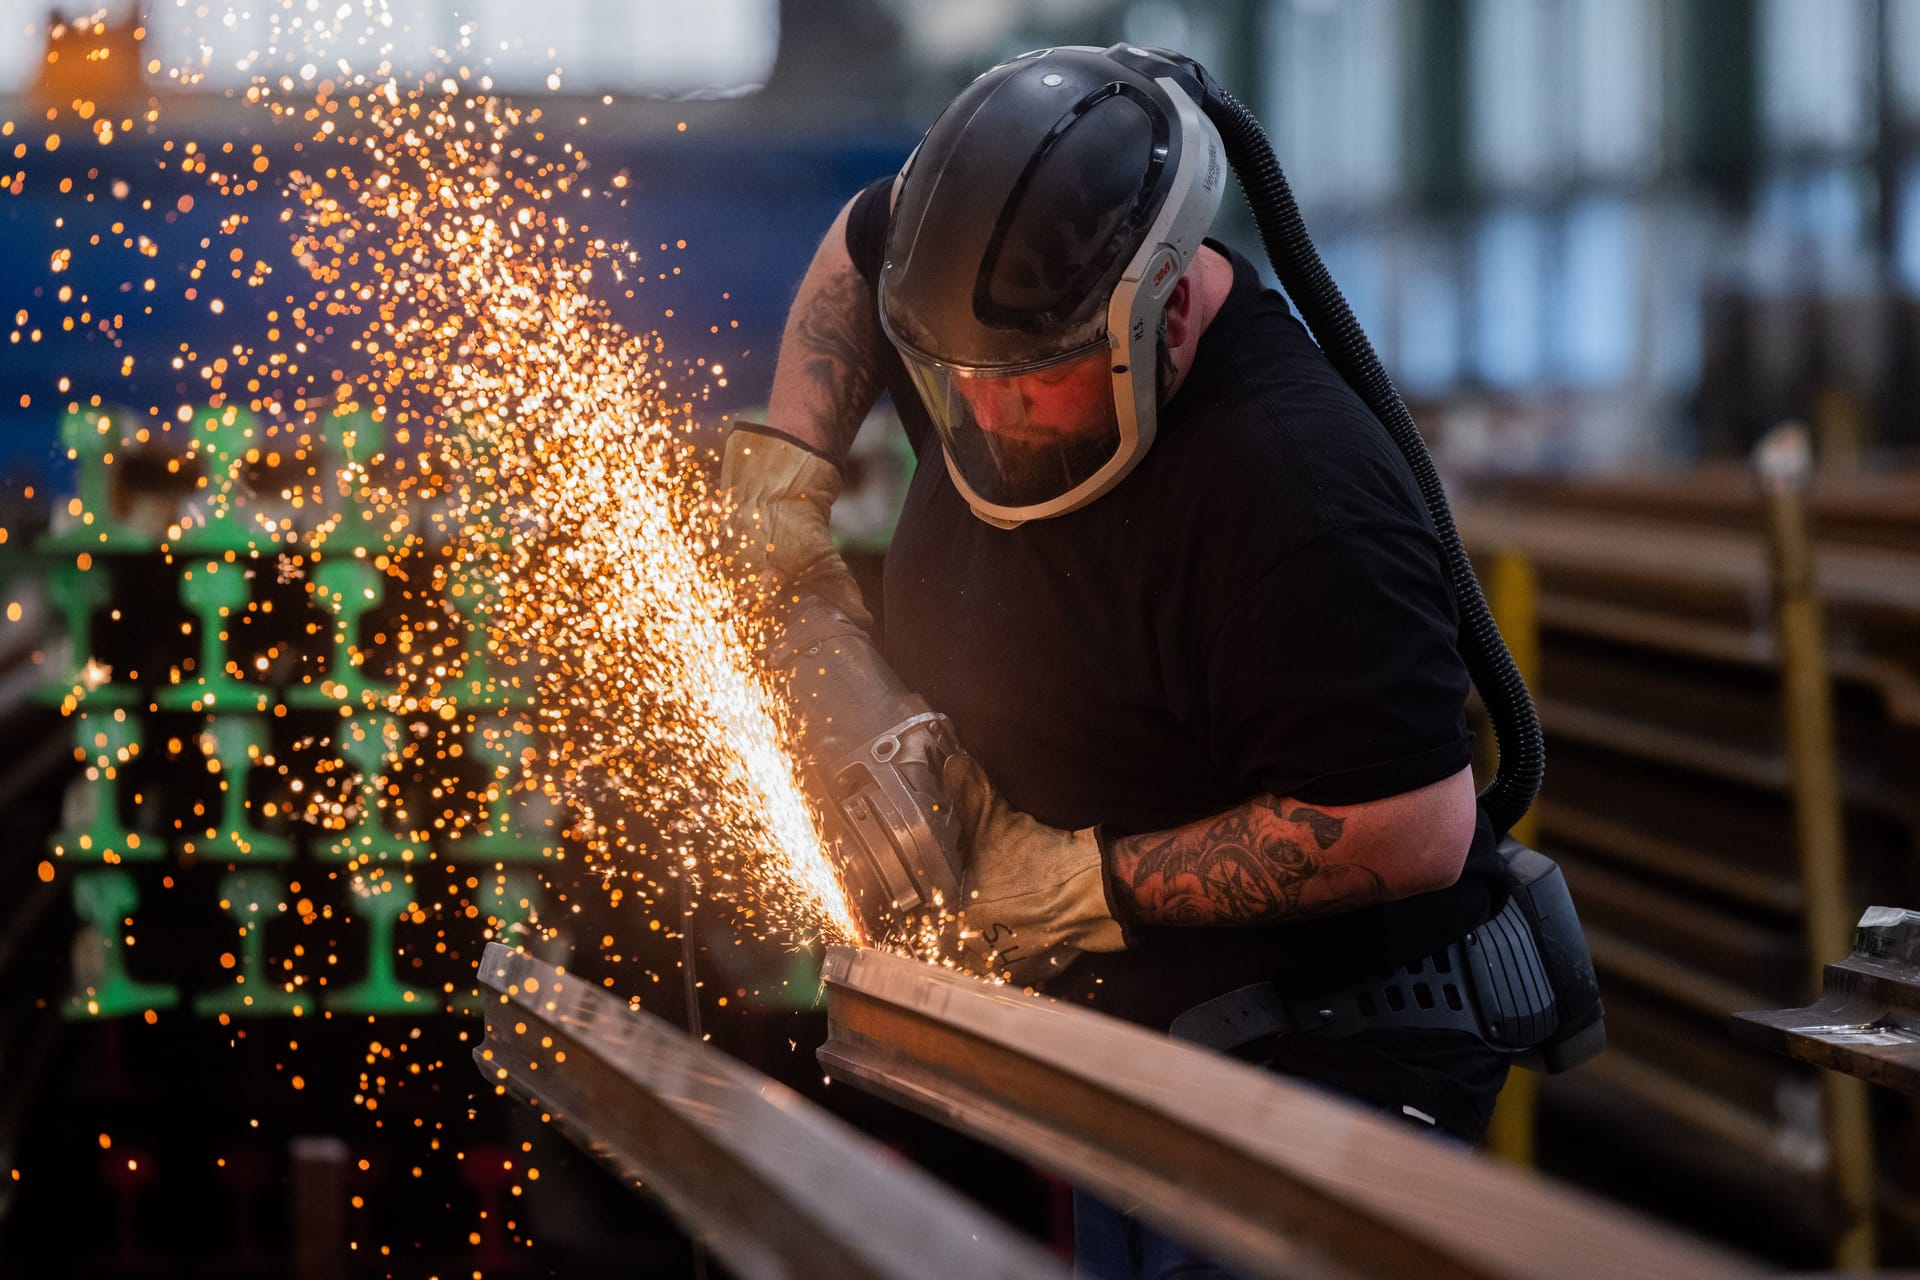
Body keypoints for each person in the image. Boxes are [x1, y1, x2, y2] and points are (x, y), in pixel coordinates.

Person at [721, 45, 1512, 1278]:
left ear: (1165, 308)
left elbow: (1413, 822)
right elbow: (863, 239)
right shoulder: (990, 300)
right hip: (1135, 1034)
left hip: (1311, 1069)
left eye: (1033, 383)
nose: (983, 415)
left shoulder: (1298, 490)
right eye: (960, 376)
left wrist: (1079, 885)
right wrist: (788, 477)